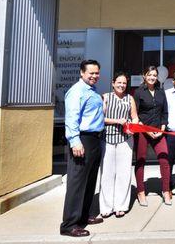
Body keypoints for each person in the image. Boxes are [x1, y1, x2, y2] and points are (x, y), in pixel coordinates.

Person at [60, 60, 105, 237]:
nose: (94, 76)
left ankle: (84, 216)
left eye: (96, 73)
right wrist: (74, 141)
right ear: (81, 73)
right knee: (77, 183)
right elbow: (71, 117)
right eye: (90, 73)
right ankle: (69, 224)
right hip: (82, 140)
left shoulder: (92, 91)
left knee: (89, 181)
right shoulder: (76, 91)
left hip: (95, 140)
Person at [99, 72, 139, 218]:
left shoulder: (130, 98)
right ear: (113, 83)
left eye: (124, 83)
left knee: (123, 173)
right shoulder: (106, 97)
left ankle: (121, 205)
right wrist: (118, 121)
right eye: (119, 82)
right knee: (107, 174)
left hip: (125, 140)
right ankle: (106, 206)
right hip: (107, 139)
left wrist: (134, 125)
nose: (122, 85)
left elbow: (134, 117)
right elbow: (100, 118)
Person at [133, 66, 171, 206]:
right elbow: (135, 114)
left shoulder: (161, 92)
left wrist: (162, 128)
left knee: (164, 160)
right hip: (143, 131)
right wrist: (146, 130)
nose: (152, 77)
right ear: (144, 76)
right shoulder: (138, 92)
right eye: (149, 75)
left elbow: (165, 112)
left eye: (154, 75)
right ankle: (141, 192)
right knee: (141, 160)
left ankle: (166, 191)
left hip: (159, 130)